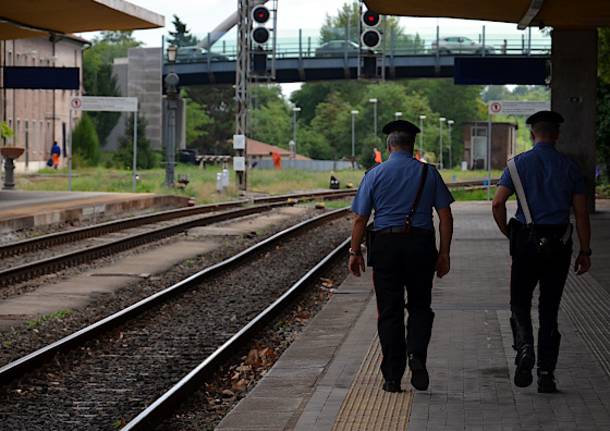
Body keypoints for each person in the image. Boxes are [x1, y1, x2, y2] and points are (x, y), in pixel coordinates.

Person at [349, 120, 455, 393]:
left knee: (389, 311)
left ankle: (392, 377)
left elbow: (361, 218)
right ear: (412, 146)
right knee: (420, 306)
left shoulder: (374, 174)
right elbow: (445, 217)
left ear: (388, 146)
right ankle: (416, 355)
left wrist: (354, 252)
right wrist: (444, 253)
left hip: (385, 247)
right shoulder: (428, 173)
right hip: (420, 246)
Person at [492, 110, 592, 393]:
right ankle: (546, 374)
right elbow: (582, 214)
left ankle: (524, 347)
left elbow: (497, 204)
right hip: (558, 245)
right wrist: (585, 251)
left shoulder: (516, 166)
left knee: (520, 303)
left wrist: (509, 232)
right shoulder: (570, 167)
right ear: (557, 134)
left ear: (533, 134)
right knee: (550, 310)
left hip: (526, 240)